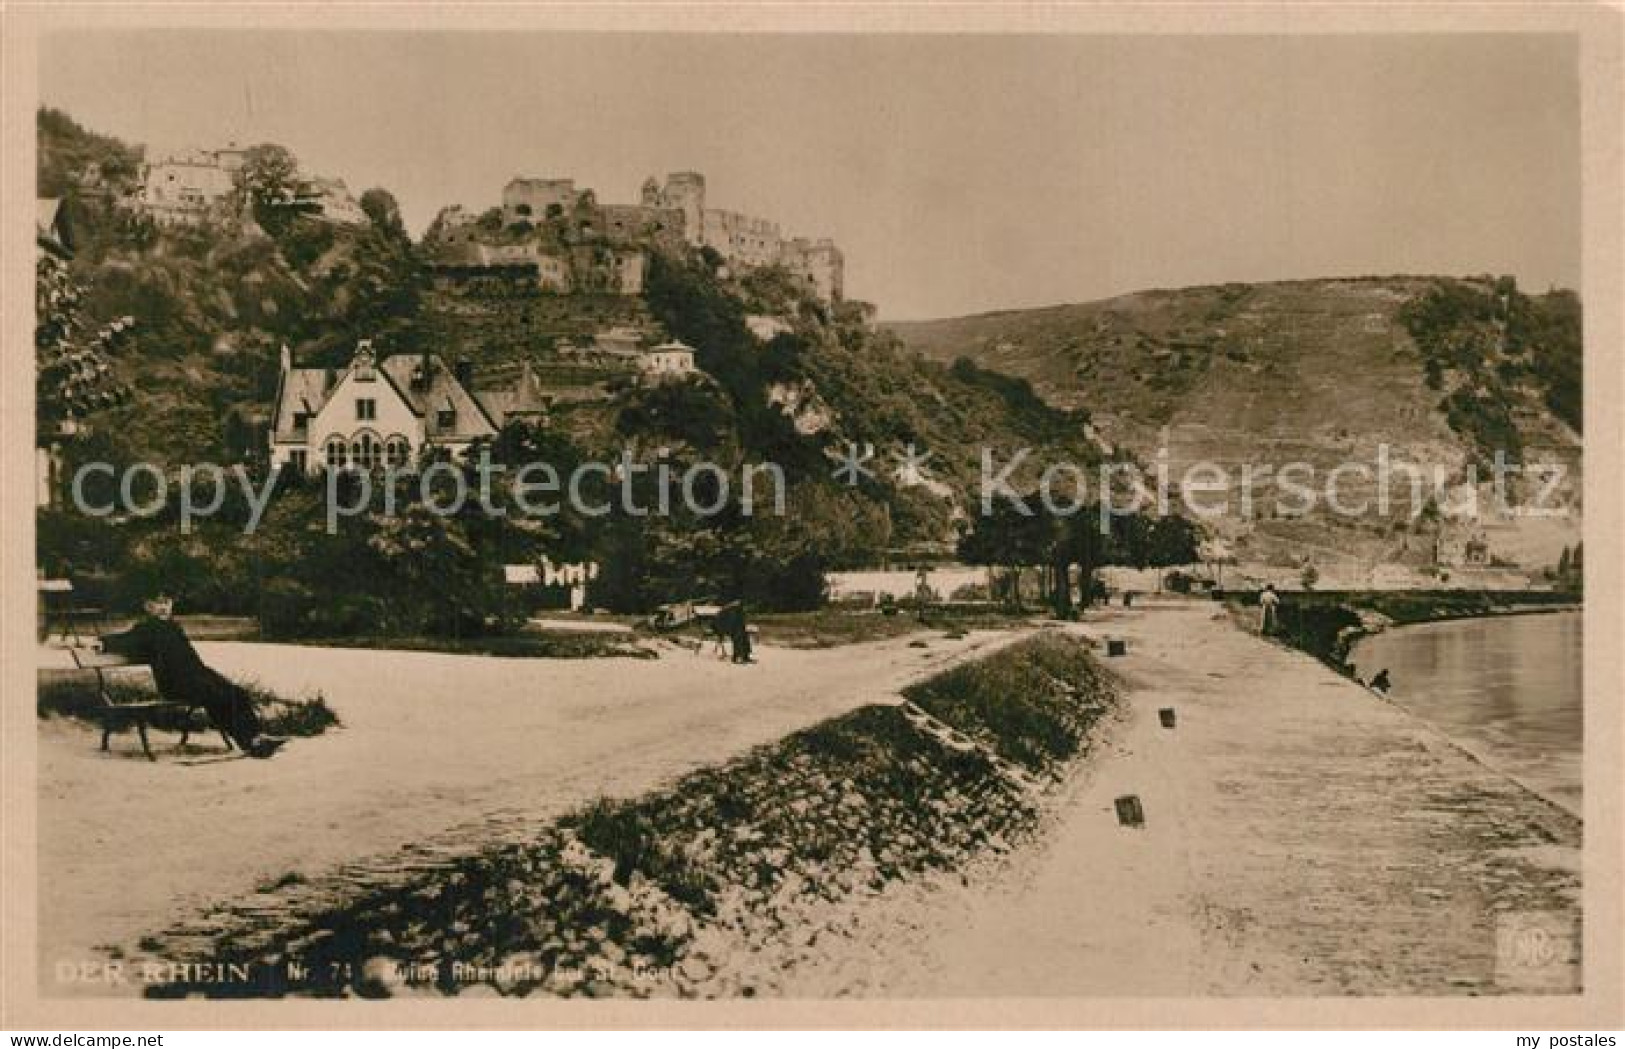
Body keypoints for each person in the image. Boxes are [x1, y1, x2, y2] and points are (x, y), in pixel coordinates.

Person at [100, 596, 285, 758]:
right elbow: (125, 640)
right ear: (147, 607)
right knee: (218, 697)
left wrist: (206, 674)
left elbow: (190, 659)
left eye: (167, 602)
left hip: (195, 676)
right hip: (175, 684)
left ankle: (256, 737)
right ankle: (250, 742)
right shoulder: (146, 629)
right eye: (158, 603)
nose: (164, 607)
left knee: (237, 693)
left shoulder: (173, 627)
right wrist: (103, 642)